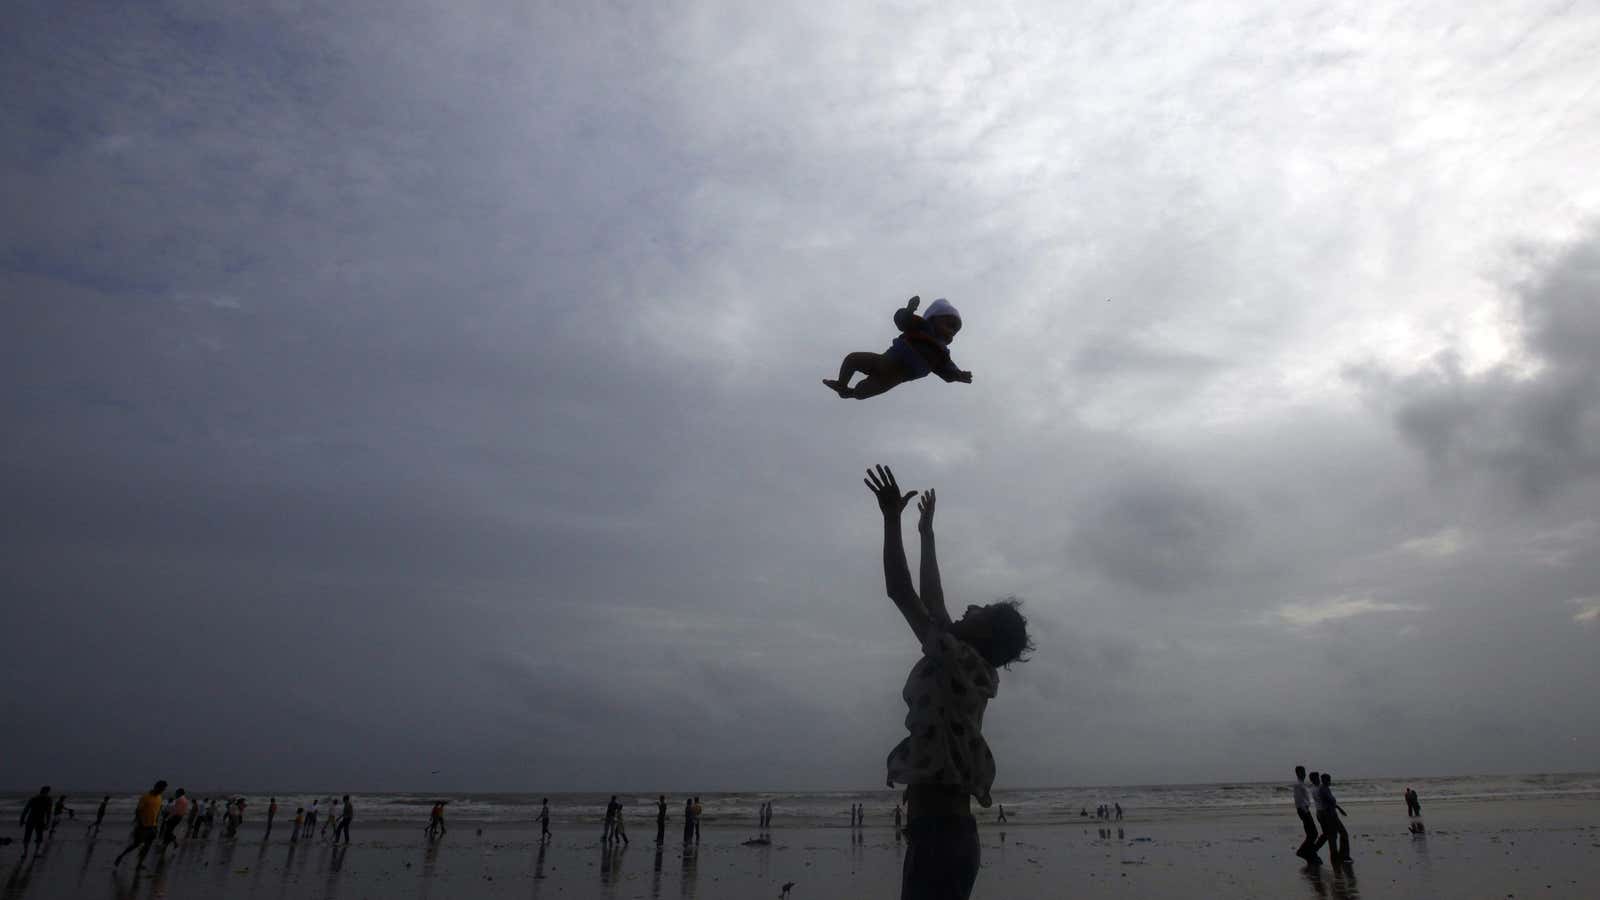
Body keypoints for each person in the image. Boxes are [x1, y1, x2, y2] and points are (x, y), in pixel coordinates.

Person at [866, 465, 1034, 900]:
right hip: (940, 834)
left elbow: (902, 593)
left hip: (941, 837)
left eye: (977, 612)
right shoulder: (965, 662)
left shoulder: (959, 661)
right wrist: (925, 532)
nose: (969, 607)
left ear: (983, 634)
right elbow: (934, 602)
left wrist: (889, 519)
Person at [824, 297, 972, 399]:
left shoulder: (942, 353)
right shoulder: (922, 326)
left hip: (897, 376)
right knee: (853, 359)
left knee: (863, 391)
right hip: (886, 360)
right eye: (949, 325)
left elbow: (947, 369)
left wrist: (959, 375)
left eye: (955, 331)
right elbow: (902, 320)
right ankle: (841, 383)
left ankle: (848, 393)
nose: (951, 331)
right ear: (933, 319)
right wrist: (908, 310)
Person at [114, 780, 167, 869]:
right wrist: (140, 823)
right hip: (143, 827)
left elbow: (157, 812)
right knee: (136, 844)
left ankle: (140, 864)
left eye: (163, 789)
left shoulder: (160, 798)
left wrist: (156, 824)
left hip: (153, 827)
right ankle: (121, 856)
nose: (162, 791)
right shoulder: (145, 797)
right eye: (161, 788)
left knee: (147, 846)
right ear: (156, 787)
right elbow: (138, 811)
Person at [1313, 773, 1350, 863]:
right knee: (1339, 834)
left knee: (1333, 836)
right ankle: (1342, 856)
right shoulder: (1323, 790)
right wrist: (1339, 809)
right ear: (1324, 780)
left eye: (1330, 779)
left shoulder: (1325, 788)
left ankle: (1337, 856)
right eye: (1328, 779)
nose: (1330, 781)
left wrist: (1339, 809)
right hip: (1330, 815)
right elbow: (1330, 802)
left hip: (1330, 814)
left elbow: (1331, 803)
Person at [1292, 766, 1321, 863]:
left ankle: (1309, 853)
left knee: (1311, 833)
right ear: (1297, 773)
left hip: (1305, 810)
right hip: (1303, 810)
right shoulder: (1298, 785)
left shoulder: (1302, 784)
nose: (1304, 774)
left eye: (1304, 772)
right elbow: (1299, 800)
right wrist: (1305, 811)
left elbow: (1304, 798)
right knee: (1313, 833)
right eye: (1302, 772)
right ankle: (1303, 851)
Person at [19, 786, 51, 856]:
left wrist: (22, 820)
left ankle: (28, 852)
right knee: (35, 837)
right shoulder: (47, 800)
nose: (47, 793)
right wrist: (48, 823)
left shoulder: (35, 798)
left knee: (32, 837)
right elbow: (48, 813)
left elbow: (26, 810)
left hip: (34, 820)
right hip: (36, 820)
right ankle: (31, 852)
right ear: (46, 791)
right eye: (47, 791)